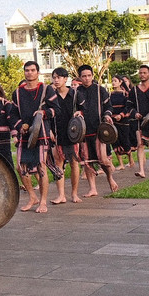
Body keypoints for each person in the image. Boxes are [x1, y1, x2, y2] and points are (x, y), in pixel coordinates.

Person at [6, 61, 59, 213]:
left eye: (32, 70)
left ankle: (43, 201)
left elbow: (56, 109)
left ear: (38, 72)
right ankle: (32, 197)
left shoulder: (46, 89)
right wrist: (19, 125)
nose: (29, 73)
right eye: (27, 70)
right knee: (20, 167)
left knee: (41, 166)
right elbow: (13, 114)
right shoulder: (17, 92)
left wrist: (44, 113)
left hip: (41, 133)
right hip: (24, 135)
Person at [73, 65, 118, 194]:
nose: (86, 78)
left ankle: (110, 179)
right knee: (87, 161)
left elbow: (108, 106)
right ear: (80, 77)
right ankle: (92, 188)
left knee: (103, 159)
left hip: (99, 130)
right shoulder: (76, 92)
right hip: (83, 131)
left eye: (89, 75)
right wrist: (78, 113)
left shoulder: (101, 90)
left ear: (92, 76)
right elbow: (74, 110)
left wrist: (107, 115)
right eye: (84, 76)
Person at [49, 68, 83, 203]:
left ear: (65, 79)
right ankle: (61, 195)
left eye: (59, 77)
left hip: (73, 133)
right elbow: (48, 115)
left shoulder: (75, 94)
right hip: (57, 133)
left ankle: (74, 194)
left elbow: (83, 109)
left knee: (74, 162)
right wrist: (50, 131)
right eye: (54, 77)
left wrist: (80, 113)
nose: (56, 80)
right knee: (58, 163)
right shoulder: (51, 95)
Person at [109, 76, 134, 170]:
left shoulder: (125, 94)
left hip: (123, 120)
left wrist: (121, 115)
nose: (113, 83)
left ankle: (131, 160)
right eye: (112, 81)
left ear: (120, 82)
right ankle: (121, 163)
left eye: (115, 81)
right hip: (113, 120)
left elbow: (128, 106)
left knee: (125, 140)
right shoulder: (110, 94)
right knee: (115, 141)